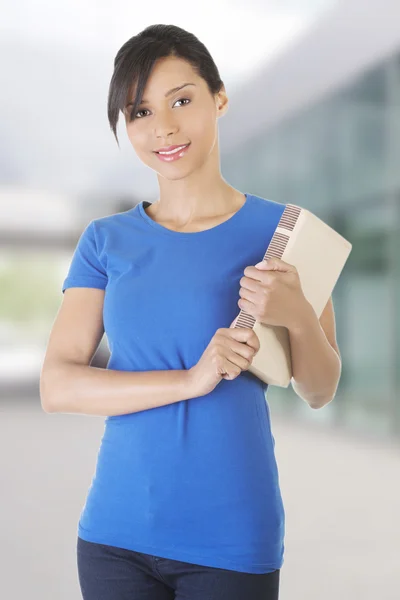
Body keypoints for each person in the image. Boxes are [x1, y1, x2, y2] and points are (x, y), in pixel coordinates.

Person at [40, 24, 286, 600]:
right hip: (113, 536)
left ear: (219, 98)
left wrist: (295, 313)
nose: (164, 127)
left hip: (230, 538)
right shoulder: (105, 240)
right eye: (140, 112)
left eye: (182, 100)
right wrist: (192, 380)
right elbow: (58, 385)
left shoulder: (281, 230)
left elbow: (322, 387)